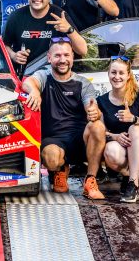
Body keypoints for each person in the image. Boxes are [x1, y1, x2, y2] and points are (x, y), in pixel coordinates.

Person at [22, 40, 106, 200]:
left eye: (66, 55)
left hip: (79, 138)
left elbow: (91, 105)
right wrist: (34, 91)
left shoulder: (83, 83)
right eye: (57, 55)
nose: (62, 60)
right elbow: (28, 82)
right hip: (54, 139)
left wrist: (93, 111)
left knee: (98, 126)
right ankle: (60, 169)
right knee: (51, 159)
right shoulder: (44, 76)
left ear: (72, 57)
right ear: (49, 58)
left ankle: (90, 180)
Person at [97, 56, 139, 203]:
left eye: (121, 73)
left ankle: (133, 184)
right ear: (108, 74)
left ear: (128, 75)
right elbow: (99, 132)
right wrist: (115, 136)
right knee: (110, 150)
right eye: (113, 72)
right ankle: (127, 175)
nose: (117, 77)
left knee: (134, 129)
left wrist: (133, 118)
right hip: (122, 153)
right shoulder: (102, 101)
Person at [2, 0, 87, 77]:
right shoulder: (16, 17)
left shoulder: (60, 15)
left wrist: (69, 30)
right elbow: (4, 45)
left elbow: (83, 50)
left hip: (55, 76)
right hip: (25, 76)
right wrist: (13, 55)